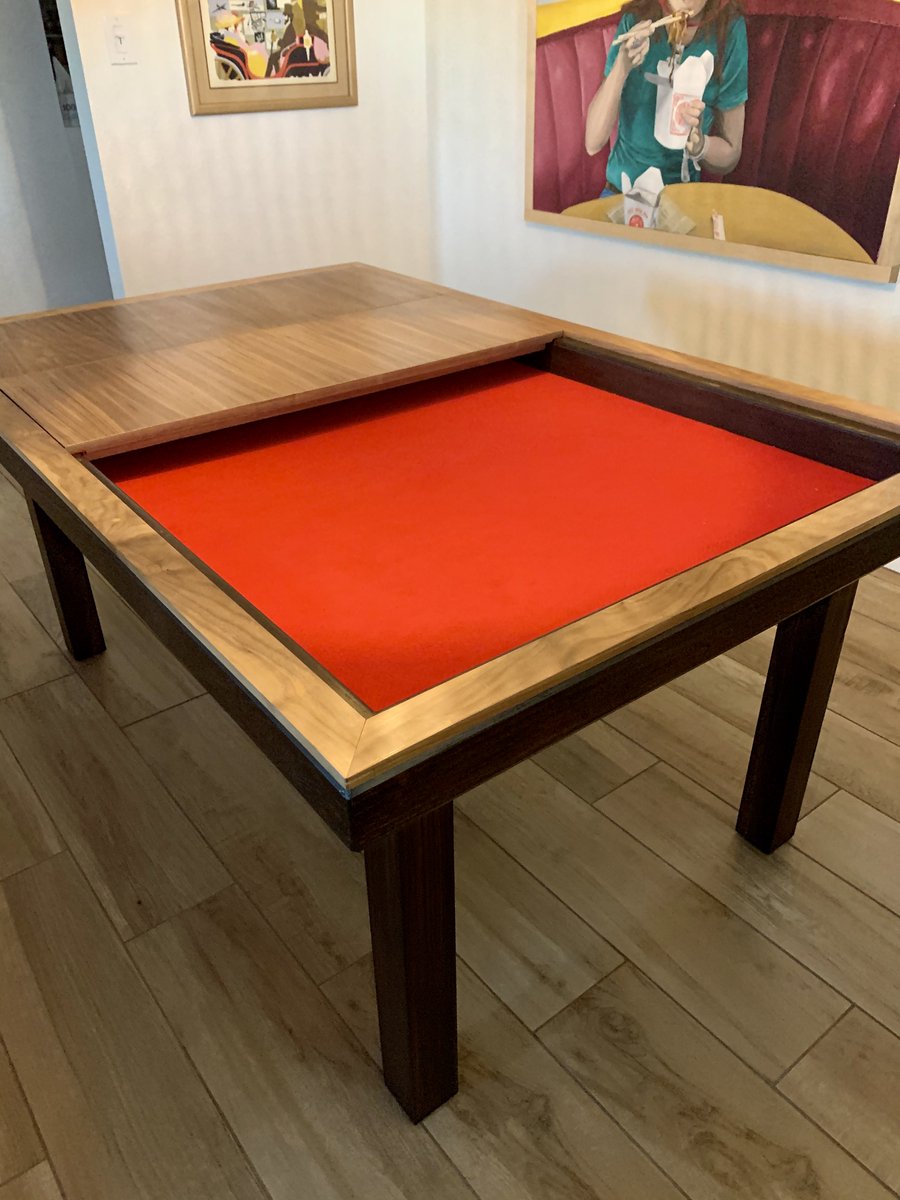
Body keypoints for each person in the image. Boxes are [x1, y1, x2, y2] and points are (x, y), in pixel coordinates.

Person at [585, 0, 748, 194]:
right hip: (623, 190)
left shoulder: (728, 29)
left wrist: (701, 146)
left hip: (681, 197)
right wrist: (622, 66)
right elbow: (593, 142)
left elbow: (731, 152)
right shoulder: (637, 18)